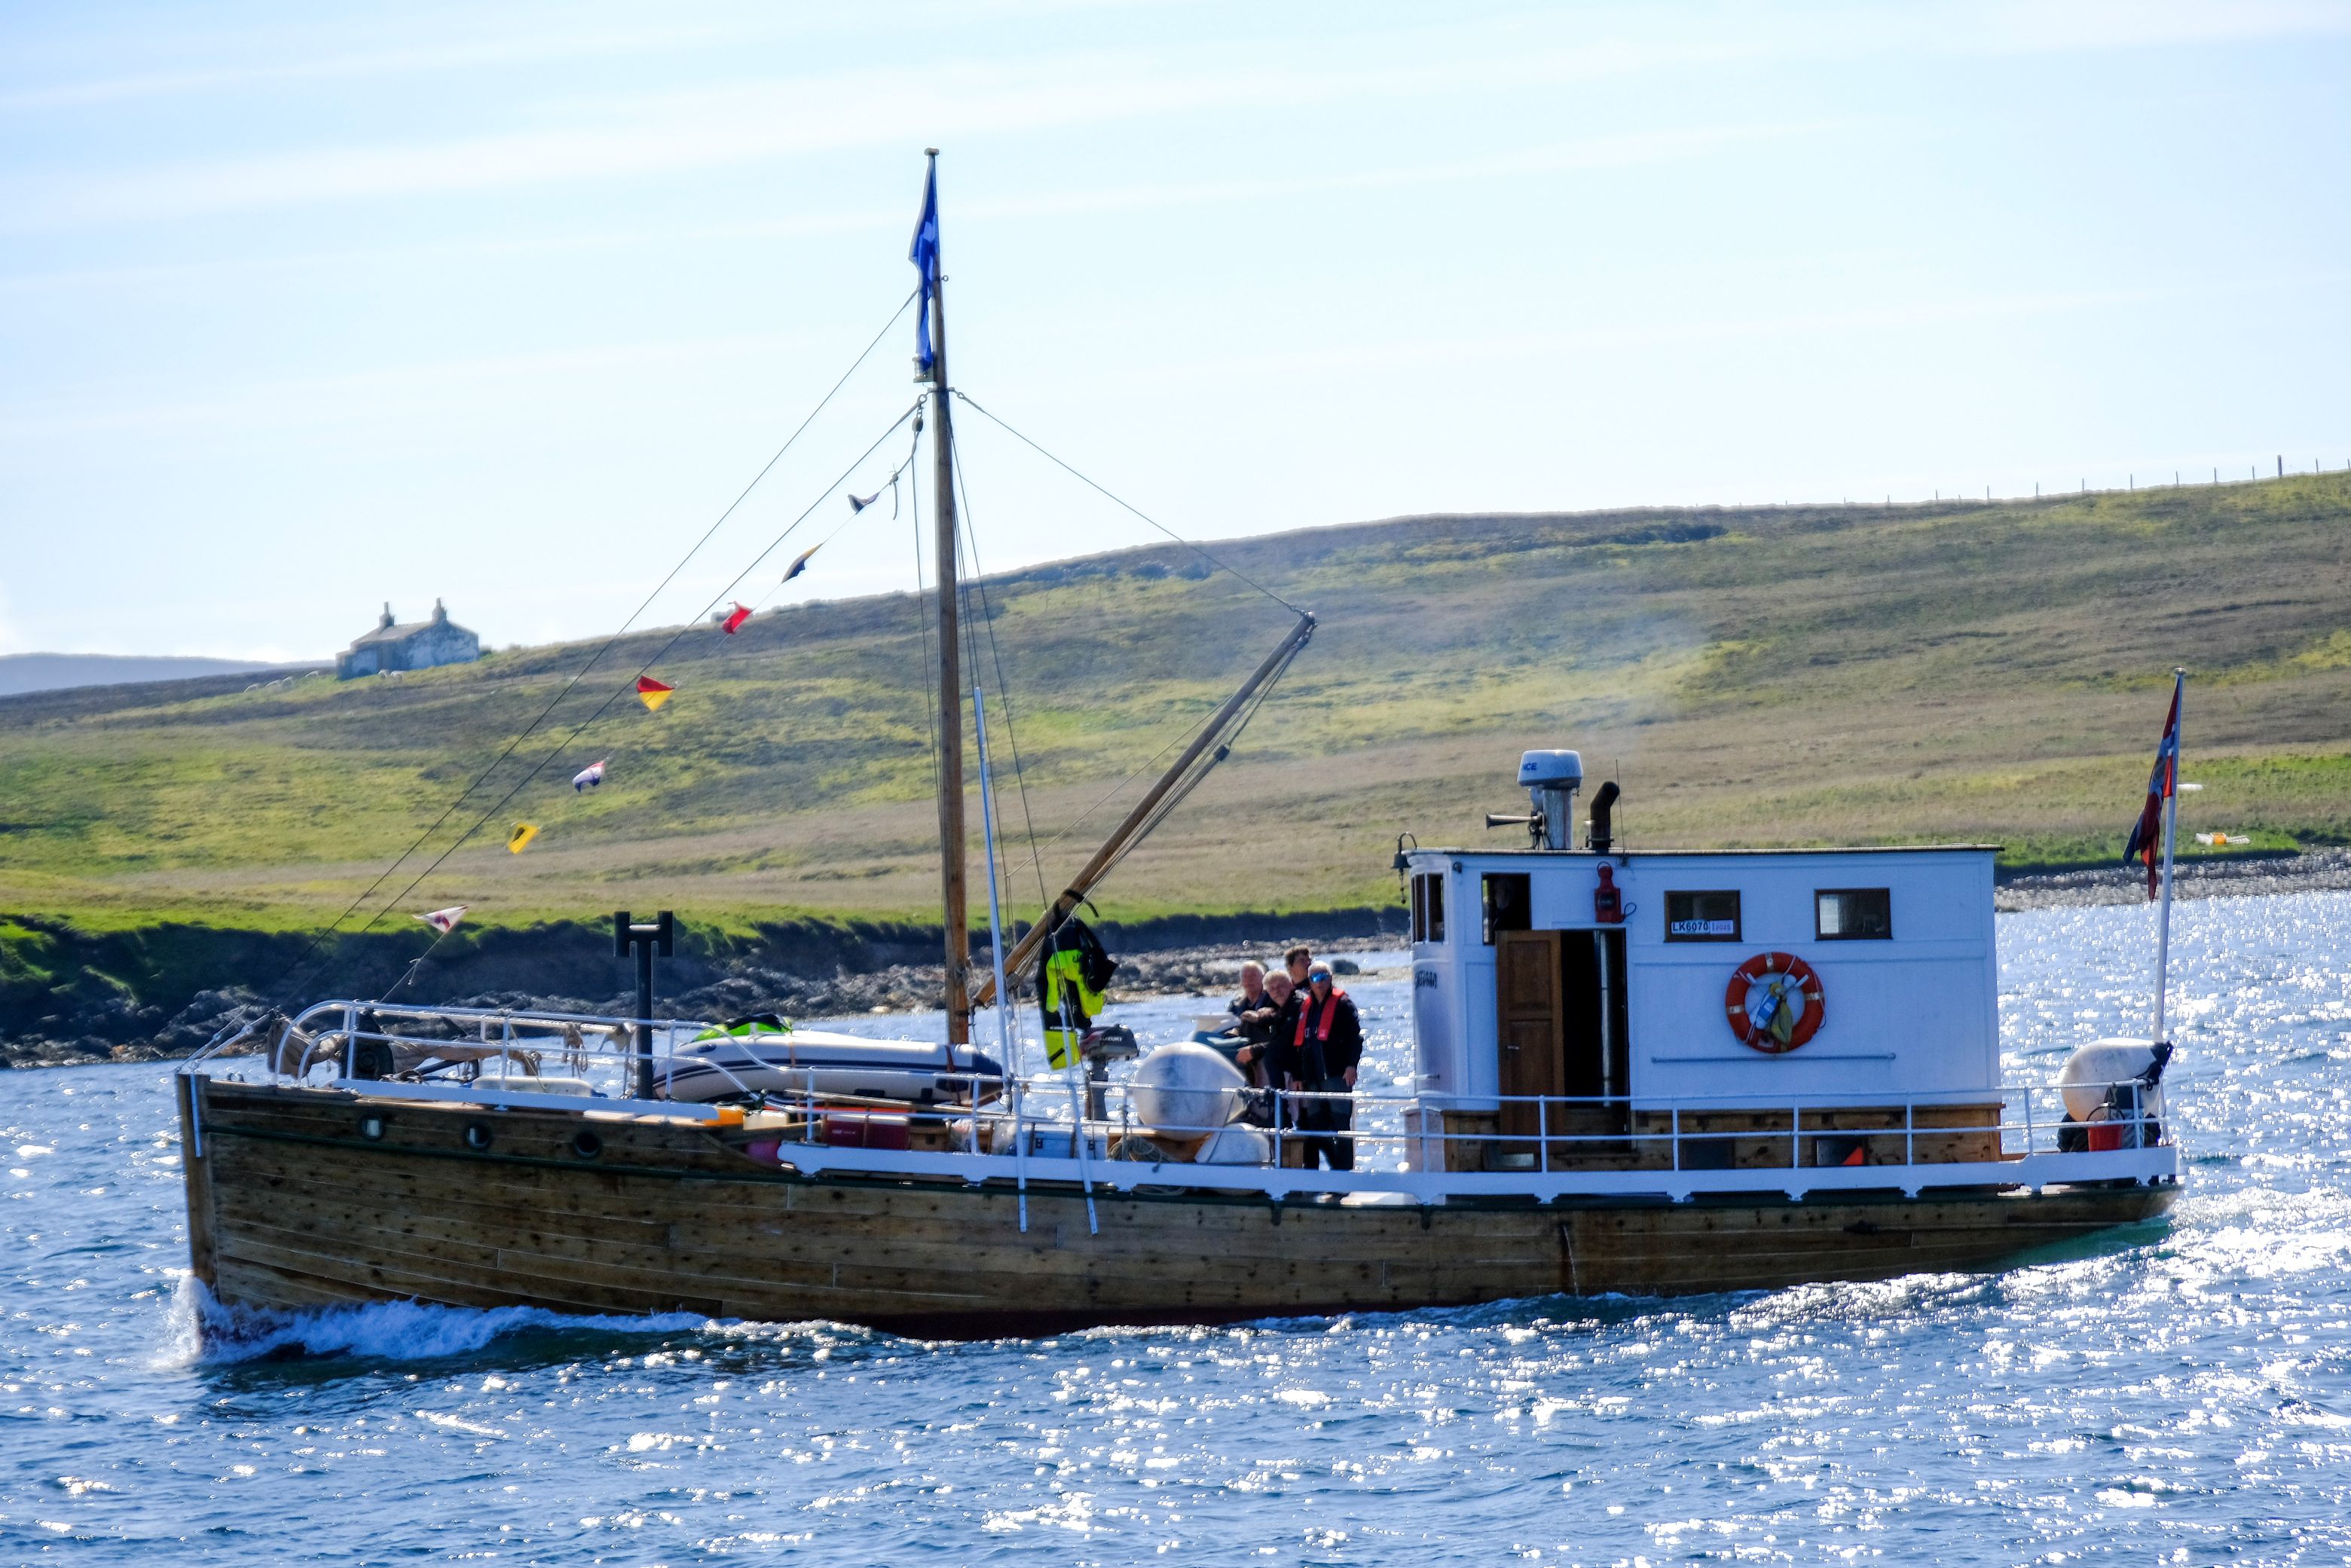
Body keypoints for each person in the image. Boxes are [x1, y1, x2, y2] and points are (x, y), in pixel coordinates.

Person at [1289, 962, 1364, 1171]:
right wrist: (1298, 1076)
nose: (1319, 982)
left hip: (1336, 1076)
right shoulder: (1305, 1008)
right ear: (1309, 982)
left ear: (1330, 978)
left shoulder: (1344, 1005)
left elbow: (1355, 1039)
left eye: (1323, 977)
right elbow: (1299, 1046)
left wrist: (1351, 1066)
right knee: (1315, 1127)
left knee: (1341, 1126)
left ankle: (1344, 1174)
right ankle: (1330, 1169)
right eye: (1314, 978)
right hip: (1312, 1079)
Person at [1226, 961, 1279, 1085]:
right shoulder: (1236, 1004)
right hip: (1239, 1048)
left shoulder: (1272, 999)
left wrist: (1259, 1018)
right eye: (1245, 977)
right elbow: (1228, 1022)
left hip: (1263, 1051)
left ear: (1263, 979)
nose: (1249, 980)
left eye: (1253, 976)